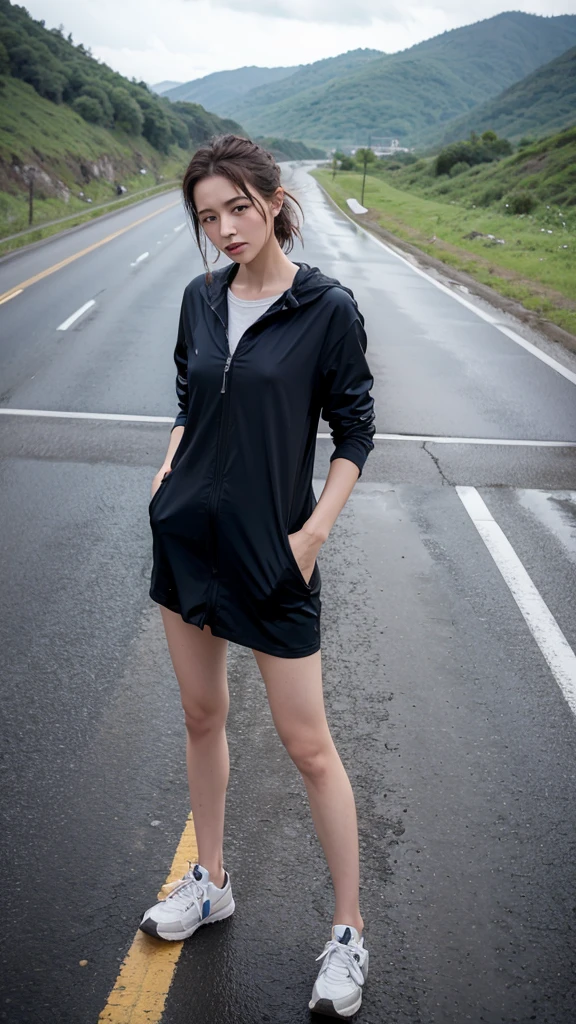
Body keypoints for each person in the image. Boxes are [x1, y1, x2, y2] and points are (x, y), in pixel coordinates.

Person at [140, 133, 376, 1019]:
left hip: (274, 553)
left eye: (240, 206)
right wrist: (167, 467)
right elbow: (189, 402)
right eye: (209, 216)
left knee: (309, 746)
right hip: (186, 543)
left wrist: (311, 535)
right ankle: (211, 881)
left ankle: (348, 932)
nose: (227, 227)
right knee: (203, 716)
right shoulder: (200, 301)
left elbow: (355, 431)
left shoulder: (327, 308)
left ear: (273, 198)